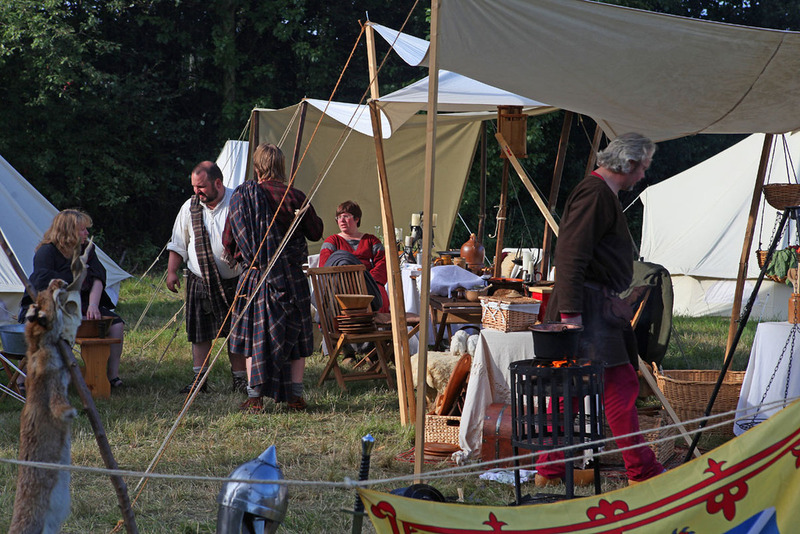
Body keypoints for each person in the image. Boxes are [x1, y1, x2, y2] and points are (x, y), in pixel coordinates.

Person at [539, 132, 665, 486]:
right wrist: (571, 317)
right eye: (643, 167)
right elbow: (570, 256)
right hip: (587, 310)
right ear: (628, 163)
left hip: (595, 307)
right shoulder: (594, 194)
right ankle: (642, 471)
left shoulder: (601, 194)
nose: (643, 174)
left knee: (570, 391)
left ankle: (549, 471)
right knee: (619, 387)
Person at [223, 143, 323, 413]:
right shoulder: (295, 196)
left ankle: (255, 398)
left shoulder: (241, 197)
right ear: (281, 166)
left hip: (255, 277)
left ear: (257, 167)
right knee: (295, 337)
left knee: (255, 336)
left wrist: (245, 255)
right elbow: (316, 232)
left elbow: (229, 240)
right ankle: (295, 397)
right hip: (290, 278)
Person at [166, 161, 247, 395]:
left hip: (235, 280)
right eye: (194, 186)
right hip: (199, 279)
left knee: (236, 332)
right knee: (200, 333)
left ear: (218, 183)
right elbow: (178, 242)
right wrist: (172, 272)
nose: (196, 191)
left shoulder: (237, 202)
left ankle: (240, 380)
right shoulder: (190, 207)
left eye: (201, 186)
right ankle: (199, 381)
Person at [20, 209, 125, 387]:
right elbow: (42, 285)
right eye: (82, 229)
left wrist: (93, 305)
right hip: (49, 303)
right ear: (68, 231)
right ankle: (24, 379)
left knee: (116, 324)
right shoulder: (47, 252)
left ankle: (111, 376)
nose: (87, 233)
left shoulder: (86, 249)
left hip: (80, 302)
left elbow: (98, 277)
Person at [318, 200, 389, 313]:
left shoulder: (371, 240)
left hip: (369, 282)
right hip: (342, 285)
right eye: (339, 217)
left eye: (346, 216)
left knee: (379, 291)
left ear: (357, 219)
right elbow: (325, 266)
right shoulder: (332, 241)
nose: (341, 220)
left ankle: (379, 319)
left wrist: (368, 280)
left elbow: (383, 263)